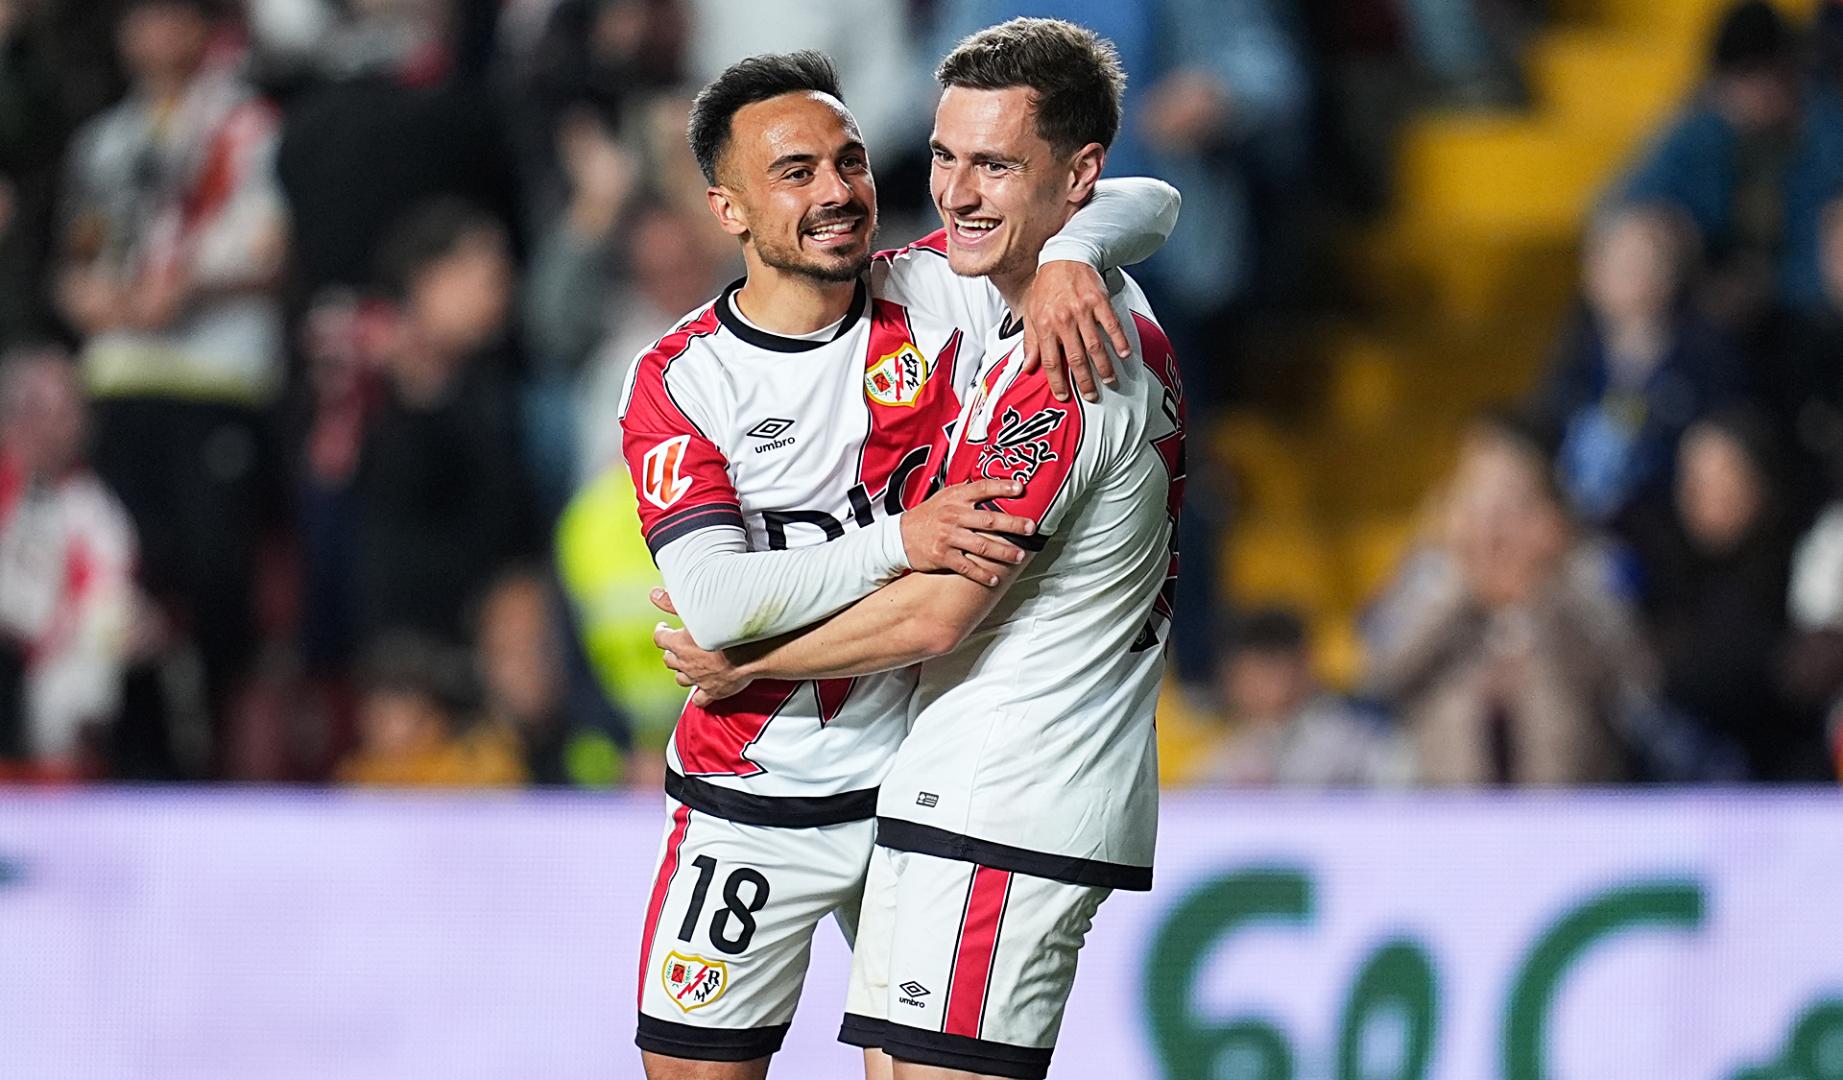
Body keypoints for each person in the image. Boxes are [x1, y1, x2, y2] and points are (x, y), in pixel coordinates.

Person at [620, 48, 1179, 1079]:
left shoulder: (940, 294)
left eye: (851, 161)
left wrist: (1076, 249)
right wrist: (898, 540)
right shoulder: (681, 380)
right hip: (757, 789)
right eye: (796, 174)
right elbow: (713, 602)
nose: (837, 193)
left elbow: (1139, 194)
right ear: (727, 209)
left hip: (912, 783)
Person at [53, 0, 287, 758]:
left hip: (212, 381)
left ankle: (220, 758)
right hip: (121, 381)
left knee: (215, 581)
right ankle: (138, 751)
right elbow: (79, 253)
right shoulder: (105, 139)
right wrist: (83, 293)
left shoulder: (246, 126)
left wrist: (189, 284)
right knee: (127, 579)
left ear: (201, 26)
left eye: (167, 15)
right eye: (138, 18)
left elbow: (271, 244)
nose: (151, 33)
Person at [1362, 410, 1651, 786]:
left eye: (1510, 498)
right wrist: (1463, 592)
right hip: (1450, 802)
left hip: (1572, 804)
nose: (1493, 517)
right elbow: (1379, 674)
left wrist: (1546, 590)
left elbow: (1633, 679)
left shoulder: (1586, 568)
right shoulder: (1431, 573)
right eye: (1476, 494)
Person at [1530, 203, 1745, 535]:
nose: (1633, 273)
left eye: (1646, 261)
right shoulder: (1569, 359)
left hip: (1672, 537)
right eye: (1619, 260)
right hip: (1574, 533)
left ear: (1673, 274)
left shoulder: (1708, 360)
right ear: (1592, 273)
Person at [0, 347, 139, 776]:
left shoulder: (96, 510)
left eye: (75, 412)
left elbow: (106, 602)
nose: (72, 427)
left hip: (42, 678)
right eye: (56, 412)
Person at [1194, 607, 1411, 788]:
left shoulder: (1356, 742)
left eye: (1269, 668)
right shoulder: (1227, 755)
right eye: (1246, 674)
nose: (1256, 686)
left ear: (1303, 665)